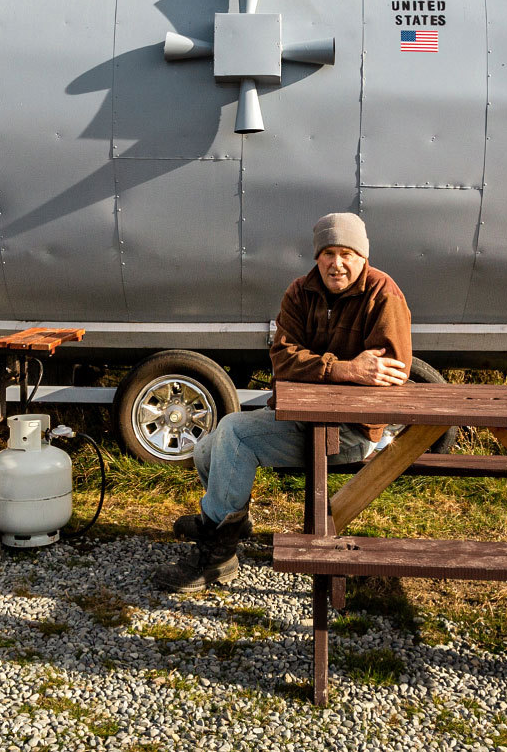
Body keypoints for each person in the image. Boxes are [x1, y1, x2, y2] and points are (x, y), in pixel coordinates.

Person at [153, 212, 412, 592]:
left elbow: (386, 377)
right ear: (316, 256)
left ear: (362, 255)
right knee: (206, 450)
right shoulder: (299, 292)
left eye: (346, 253)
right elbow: (282, 359)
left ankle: (216, 552)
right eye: (327, 253)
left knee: (234, 432)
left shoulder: (383, 296)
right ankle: (231, 521)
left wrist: (323, 373)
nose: (336, 264)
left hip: (351, 432)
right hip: (300, 420)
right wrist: (343, 370)